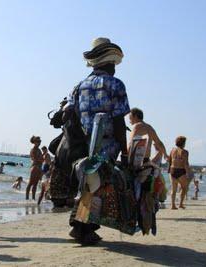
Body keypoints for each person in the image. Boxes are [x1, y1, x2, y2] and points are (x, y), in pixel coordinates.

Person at [67, 38, 130, 245]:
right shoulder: (115, 84)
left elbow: (72, 116)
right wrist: (125, 151)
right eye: (114, 63)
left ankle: (81, 226)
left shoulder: (78, 86)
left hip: (84, 143)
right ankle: (84, 228)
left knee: (88, 183)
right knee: (99, 185)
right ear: (109, 62)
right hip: (107, 143)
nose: (115, 68)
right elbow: (119, 121)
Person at [169, 136, 190, 210]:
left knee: (173, 190)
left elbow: (170, 161)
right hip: (181, 171)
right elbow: (185, 163)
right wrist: (187, 173)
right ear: (183, 143)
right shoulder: (185, 152)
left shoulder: (172, 150)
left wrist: (169, 171)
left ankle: (172, 205)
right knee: (184, 188)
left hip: (173, 170)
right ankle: (180, 204)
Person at [26, 136, 44, 200]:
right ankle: (27, 198)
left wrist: (41, 159)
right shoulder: (33, 150)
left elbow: (41, 159)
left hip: (39, 167)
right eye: (38, 141)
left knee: (35, 184)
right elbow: (35, 159)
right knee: (30, 183)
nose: (39, 143)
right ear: (34, 142)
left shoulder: (39, 150)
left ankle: (33, 198)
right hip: (35, 167)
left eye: (40, 141)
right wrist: (40, 159)